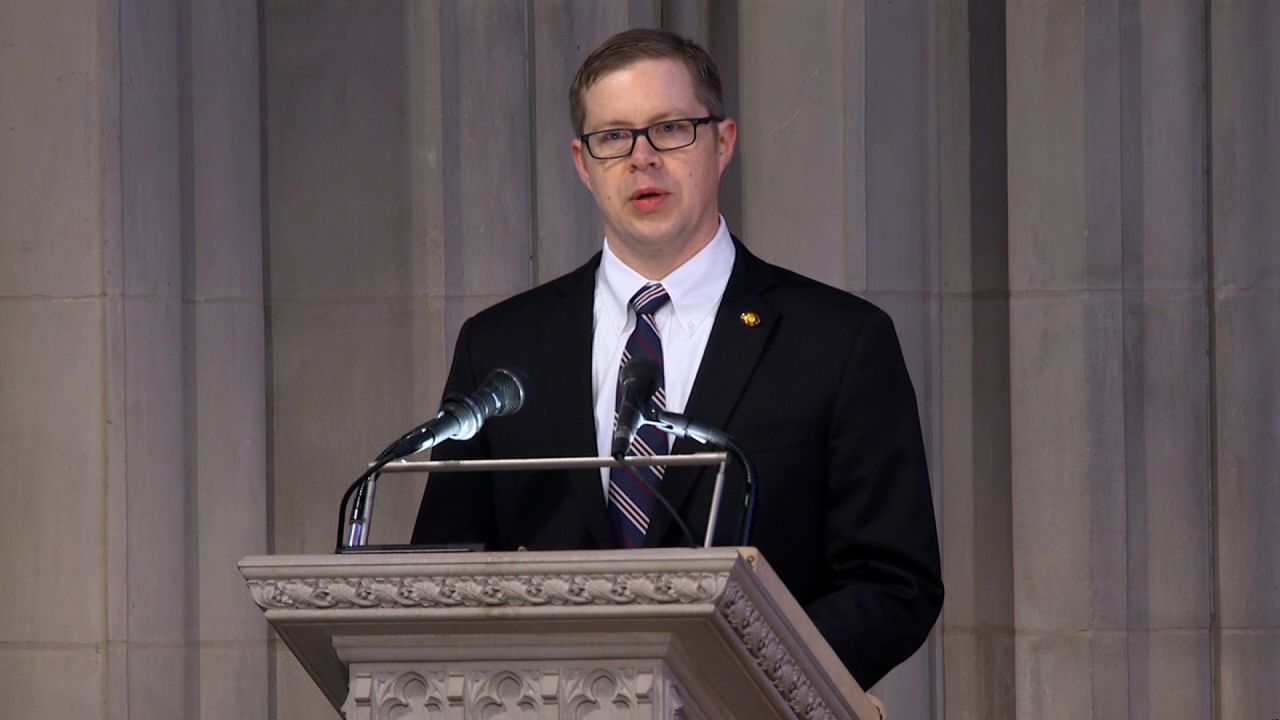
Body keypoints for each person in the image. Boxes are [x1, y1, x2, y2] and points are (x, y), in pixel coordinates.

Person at [412, 28, 942, 690]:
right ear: (583, 163)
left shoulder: (837, 341)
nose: (642, 158)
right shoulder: (502, 344)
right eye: (614, 138)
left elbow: (893, 582)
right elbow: (442, 568)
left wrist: (739, 682)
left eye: (670, 129)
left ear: (722, 143)